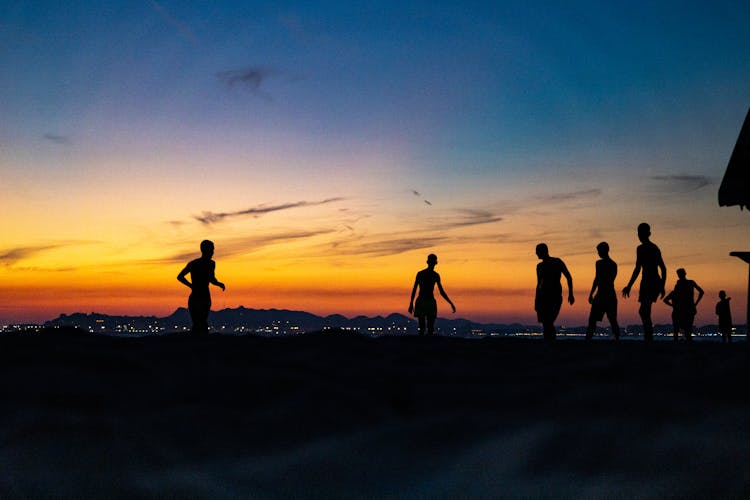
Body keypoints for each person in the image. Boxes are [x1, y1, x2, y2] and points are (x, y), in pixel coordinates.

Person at [622, 223, 666, 342]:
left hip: (650, 281)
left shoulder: (646, 248)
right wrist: (629, 286)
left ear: (647, 234)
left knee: (644, 311)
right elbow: (639, 269)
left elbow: (662, 268)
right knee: (645, 311)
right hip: (648, 281)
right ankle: (648, 337)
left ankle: (649, 338)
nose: (639, 235)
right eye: (638, 232)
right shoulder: (649, 248)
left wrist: (662, 286)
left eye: (640, 233)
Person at [177, 240, 226, 336]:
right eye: (211, 250)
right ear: (205, 250)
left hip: (201, 296)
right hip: (199, 297)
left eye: (213, 250)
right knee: (199, 323)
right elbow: (180, 277)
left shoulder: (208, 264)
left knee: (201, 323)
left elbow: (211, 279)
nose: (212, 252)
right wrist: (191, 286)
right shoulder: (198, 264)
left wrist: (219, 284)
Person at [535, 243, 574, 341]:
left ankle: (550, 341)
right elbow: (538, 284)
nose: (536, 253)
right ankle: (549, 341)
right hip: (543, 297)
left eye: (537, 251)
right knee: (546, 322)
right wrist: (536, 300)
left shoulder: (557, 262)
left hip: (555, 296)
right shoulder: (539, 266)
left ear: (543, 251)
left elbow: (569, 277)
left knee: (548, 321)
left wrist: (571, 294)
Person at [408, 254, 456, 335]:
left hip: (426, 301)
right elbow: (415, 289)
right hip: (425, 301)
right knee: (425, 328)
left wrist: (451, 303)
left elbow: (415, 289)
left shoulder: (426, 274)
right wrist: (411, 303)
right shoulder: (432, 275)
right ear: (435, 263)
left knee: (426, 328)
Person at [586, 242, 620, 341]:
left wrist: (591, 293)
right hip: (608, 294)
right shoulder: (612, 264)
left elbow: (598, 279)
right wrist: (592, 293)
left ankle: (589, 338)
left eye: (599, 251)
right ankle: (617, 338)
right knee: (611, 319)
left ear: (604, 251)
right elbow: (599, 279)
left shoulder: (602, 263)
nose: (598, 253)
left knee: (595, 319)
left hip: (604, 294)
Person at [663, 268, 704, 343]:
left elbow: (666, 300)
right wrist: (696, 303)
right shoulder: (689, 283)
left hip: (684, 309)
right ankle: (686, 342)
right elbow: (701, 292)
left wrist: (672, 305)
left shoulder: (685, 284)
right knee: (687, 328)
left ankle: (680, 342)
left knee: (679, 328)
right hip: (687, 308)